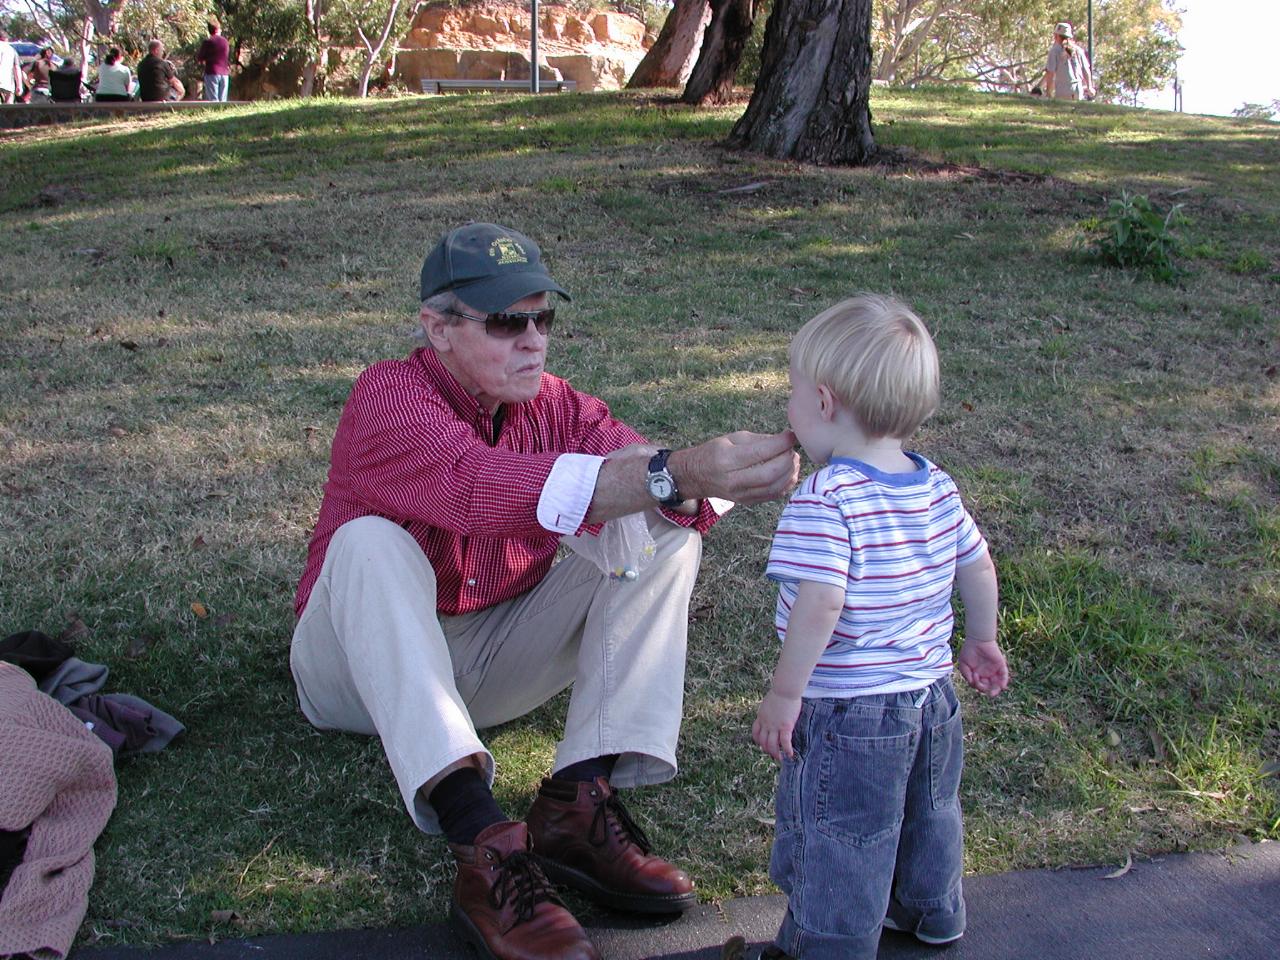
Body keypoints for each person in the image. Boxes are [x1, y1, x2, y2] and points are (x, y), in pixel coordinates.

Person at [290, 222, 800, 960]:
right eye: (506, 322)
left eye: (542, 318)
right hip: (353, 674)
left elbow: (644, 472)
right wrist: (675, 471)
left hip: (489, 662)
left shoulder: (556, 404)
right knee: (369, 542)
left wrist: (716, 479)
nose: (533, 340)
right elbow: (476, 489)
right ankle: (483, 843)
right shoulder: (387, 397)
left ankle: (577, 803)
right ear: (438, 328)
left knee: (659, 525)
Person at [751, 294, 1010, 960]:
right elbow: (977, 565)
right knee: (930, 812)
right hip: (931, 698)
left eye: (792, 392)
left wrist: (786, 694)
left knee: (842, 831)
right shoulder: (933, 484)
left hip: (848, 710)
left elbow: (822, 604)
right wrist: (981, 637)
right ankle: (931, 910)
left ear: (826, 403)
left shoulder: (827, 497)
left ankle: (826, 943)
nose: (789, 405)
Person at [1041, 21, 1094, 101]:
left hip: (1062, 90)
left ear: (1056, 36)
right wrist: (1090, 87)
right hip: (1077, 89)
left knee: (1062, 112)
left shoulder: (1054, 51)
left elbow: (1050, 73)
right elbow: (1086, 70)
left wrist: (1049, 92)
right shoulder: (1078, 50)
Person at [195, 18, 230, 101]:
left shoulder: (208, 41)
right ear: (218, 29)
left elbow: (200, 57)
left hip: (212, 72)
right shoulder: (225, 41)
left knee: (213, 101)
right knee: (223, 100)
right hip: (225, 73)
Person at [0, 30, 25, 104]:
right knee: (8, 110)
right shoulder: (12, 50)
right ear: (5, 39)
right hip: (8, 85)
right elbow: (16, 68)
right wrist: (19, 85)